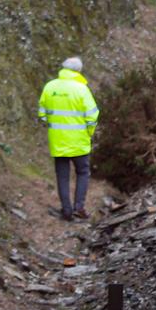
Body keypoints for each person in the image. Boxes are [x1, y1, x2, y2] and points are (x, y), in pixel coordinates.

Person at [37, 56, 100, 220]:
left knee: (62, 176)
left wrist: (54, 127)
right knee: (83, 172)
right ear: (78, 71)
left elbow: (42, 114)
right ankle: (79, 207)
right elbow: (93, 115)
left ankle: (66, 210)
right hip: (79, 141)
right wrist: (89, 132)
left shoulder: (50, 87)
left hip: (58, 141)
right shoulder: (81, 89)